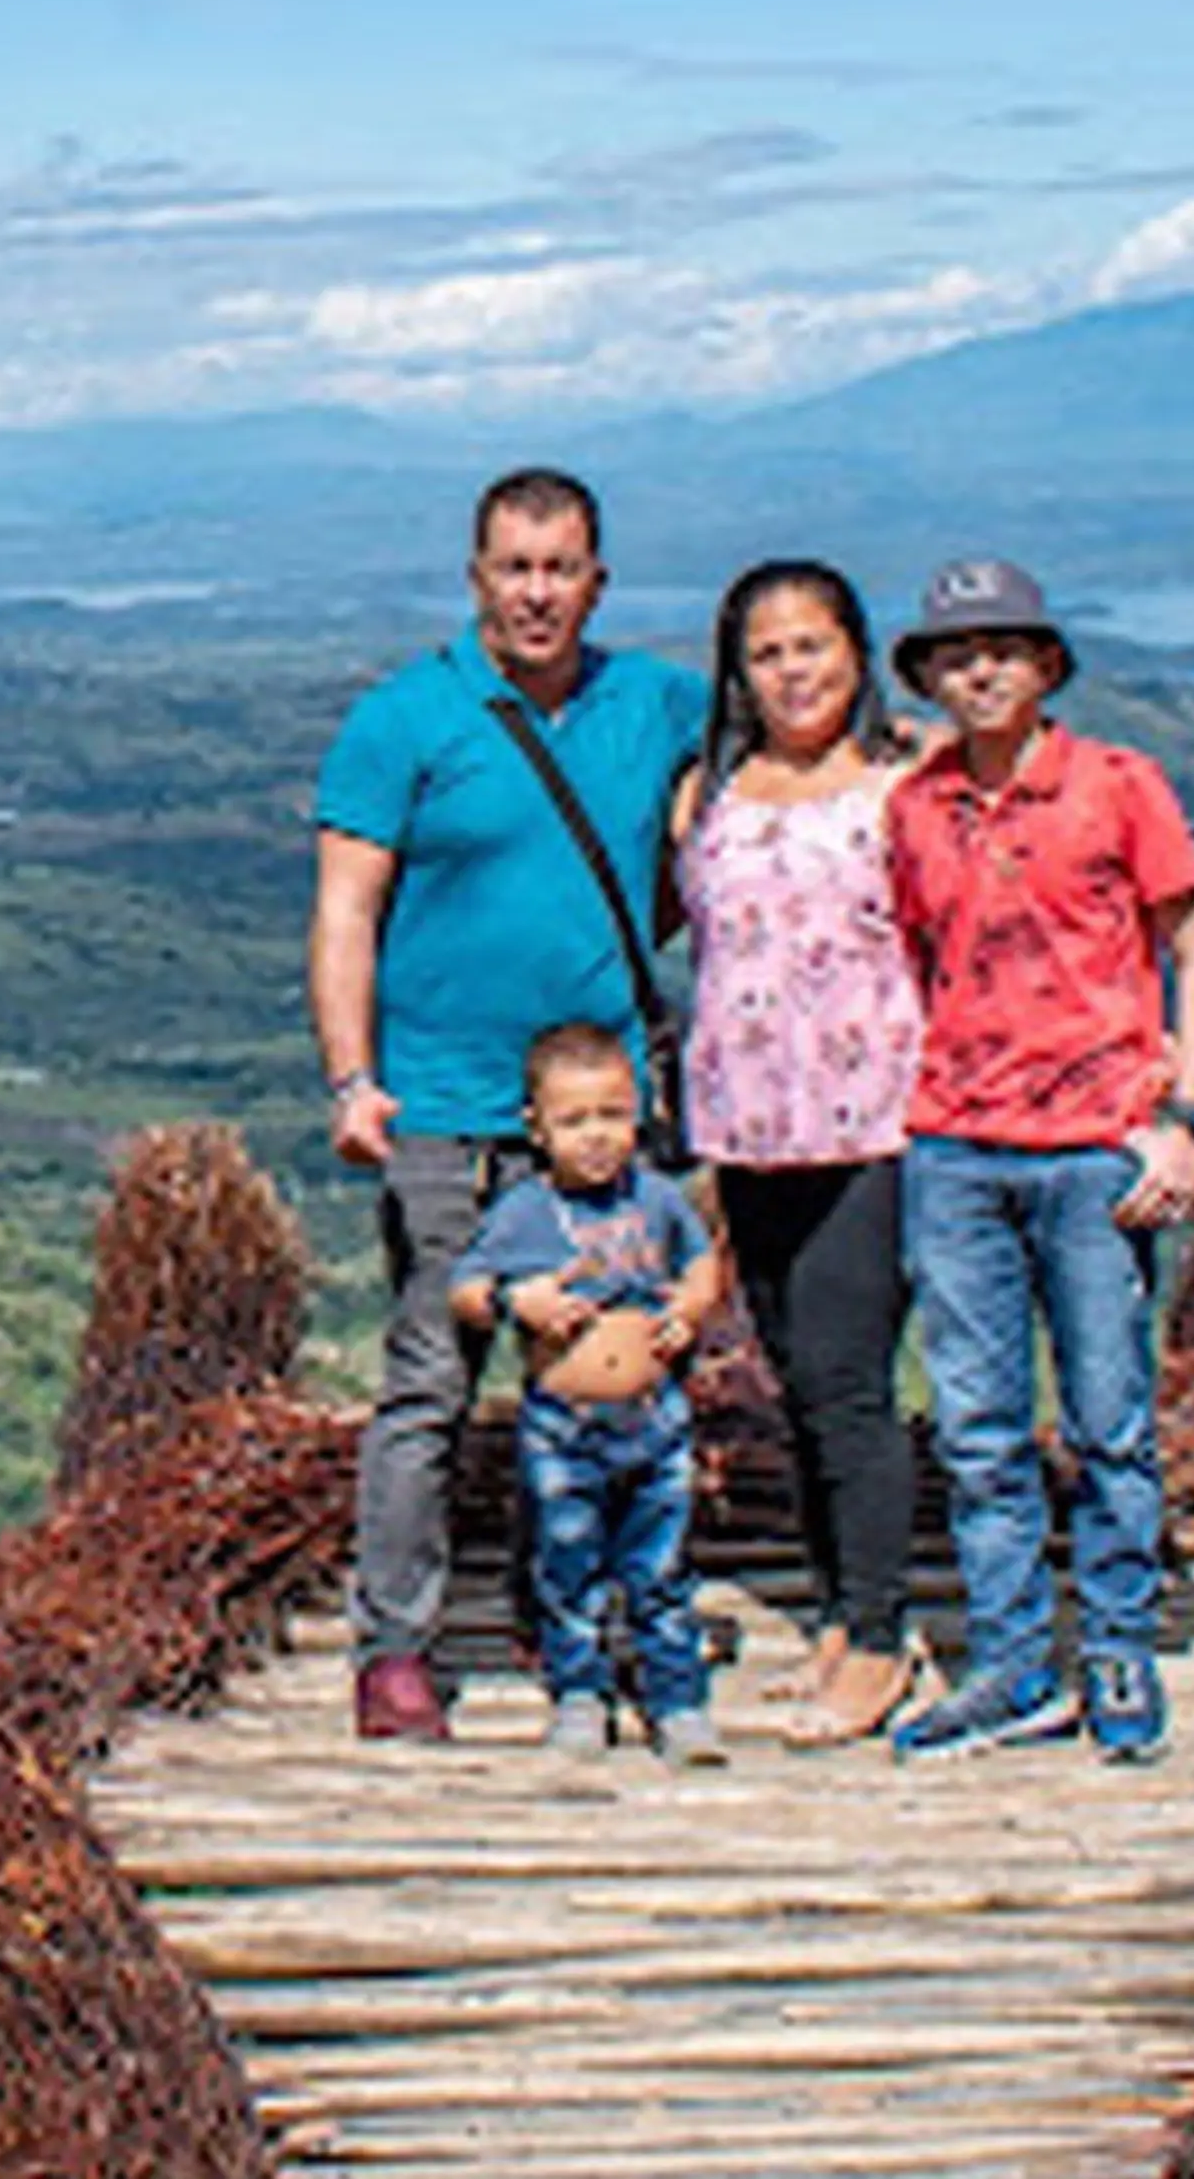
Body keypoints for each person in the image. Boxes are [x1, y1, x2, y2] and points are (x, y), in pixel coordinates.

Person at [309, 467, 708, 1742]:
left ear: (598, 578)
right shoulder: (402, 719)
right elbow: (345, 911)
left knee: (599, 1365)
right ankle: (396, 1649)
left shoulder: (653, 700)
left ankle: (569, 1611)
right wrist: (352, 1077)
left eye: (561, 568)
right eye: (514, 568)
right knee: (432, 1380)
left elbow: (808, 726)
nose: (537, 592)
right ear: (475, 576)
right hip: (441, 1109)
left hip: (597, 1116)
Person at [872, 558, 1194, 1768]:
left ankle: (1117, 1645)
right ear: (926, 675)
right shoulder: (914, 807)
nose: (979, 670)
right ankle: (1017, 1664)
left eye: (1004, 649)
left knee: (1108, 1419)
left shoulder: (1121, 788)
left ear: (1047, 667)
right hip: (956, 1147)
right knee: (975, 1428)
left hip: (1093, 1149)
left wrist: (1187, 1116)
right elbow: (921, 965)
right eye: (954, 653)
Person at [668, 559, 926, 1747]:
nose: (791, 671)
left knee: (845, 1384)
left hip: (870, 1124)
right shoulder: (710, 793)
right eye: (766, 652)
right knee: (796, 1388)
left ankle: (877, 1640)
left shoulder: (902, 785)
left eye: (811, 645)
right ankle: (837, 1620)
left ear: (856, 651)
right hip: (744, 1132)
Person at [448, 1022, 733, 1763]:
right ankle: (580, 1692)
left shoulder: (660, 1199)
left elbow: (702, 1264)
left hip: (653, 1417)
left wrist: (690, 1310)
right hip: (563, 1424)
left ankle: (677, 1699)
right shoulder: (523, 1212)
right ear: (536, 1128)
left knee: (661, 1566)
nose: (597, 1137)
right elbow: (466, 1291)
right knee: (567, 1562)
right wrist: (522, 1302)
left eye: (612, 1115)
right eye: (574, 1122)